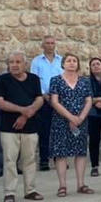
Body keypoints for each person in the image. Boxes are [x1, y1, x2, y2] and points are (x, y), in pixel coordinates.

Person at [0, 51, 44, 202]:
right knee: (10, 160)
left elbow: (39, 99)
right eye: (11, 62)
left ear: (25, 64)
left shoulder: (34, 79)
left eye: (17, 62)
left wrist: (27, 115)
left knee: (29, 159)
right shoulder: (2, 80)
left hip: (31, 126)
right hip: (9, 127)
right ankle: (10, 192)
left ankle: (30, 190)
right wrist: (22, 110)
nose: (14, 65)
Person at [49, 54, 93, 197]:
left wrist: (80, 117)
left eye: (75, 61)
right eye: (68, 61)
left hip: (81, 121)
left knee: (80, 152)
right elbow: (54, 101)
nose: (72, 63)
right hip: (61, 121)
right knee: (61, 153)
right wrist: (70, 117)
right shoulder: (56, 80)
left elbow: (88, 100)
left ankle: (81, 184)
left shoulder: (85, 81)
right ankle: (62, 185)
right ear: (63, 64)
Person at [31, 36, 62, 171]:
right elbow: (34, 80)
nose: (50, 45)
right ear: (42, 45)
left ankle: (59, 159)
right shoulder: (36, 61)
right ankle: (44, 160)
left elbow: (64, 78)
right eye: (47, 43)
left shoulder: (61, 60)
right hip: (43, 100)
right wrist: (44, 95)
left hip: (60, 100)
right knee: (44, 131)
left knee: (59, 130)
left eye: (52, 43)